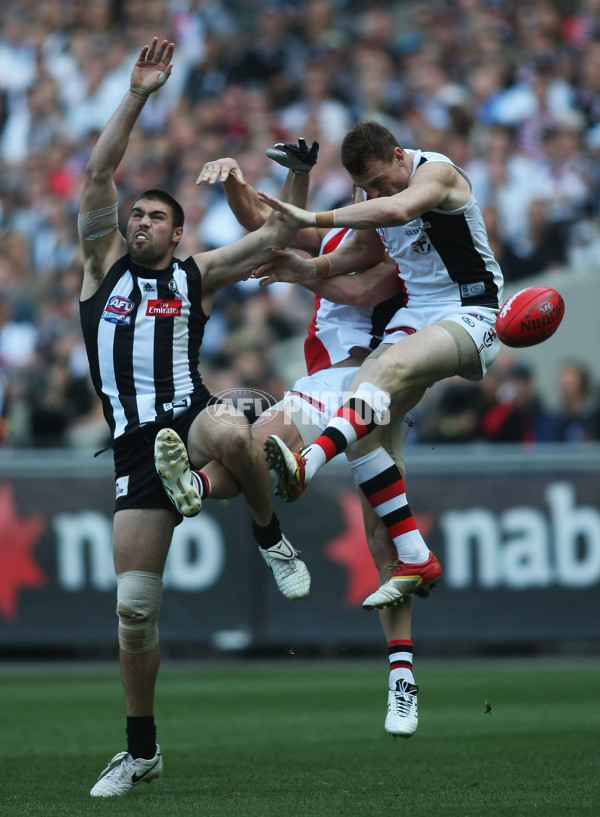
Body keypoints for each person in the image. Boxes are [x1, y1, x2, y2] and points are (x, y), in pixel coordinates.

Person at [78, 38, 315, 797]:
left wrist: (298, 175)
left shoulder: (195, 272)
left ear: (178, 233)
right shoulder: (100, 271)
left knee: (234, 427)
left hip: (191, 411)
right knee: (134, 613)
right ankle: (141, 750)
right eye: (136, 214)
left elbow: (280, 235)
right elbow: (96, 172)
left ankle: (270, 536)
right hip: (132, 450)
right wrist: (141, 93)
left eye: (156, 215)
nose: (141, 220)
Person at [195, 150, 422, 738]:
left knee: (378, 532)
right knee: (250, 449)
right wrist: (236, 181)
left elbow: (366, 290)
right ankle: (191, 485)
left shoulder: (395, 240)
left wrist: (303, 271)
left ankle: (402, 678)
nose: (365, 195)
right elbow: (265, 226)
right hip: (333, 385)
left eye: (374, 186)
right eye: (361, 187)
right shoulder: (341, 228)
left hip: (371, 375)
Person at [254, 120, 504, 611]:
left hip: (472, 313)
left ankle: (308, 463)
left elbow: (399, 207)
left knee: (382, 376)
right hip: (416, 318)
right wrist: (308, 269)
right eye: (363, 186)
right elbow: (362, 250)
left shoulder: (437, 173)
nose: (374, 191)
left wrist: (317, 216)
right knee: (364, 422)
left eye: (377, 179)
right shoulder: (377, 192)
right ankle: (415, 555)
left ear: (397, 155)